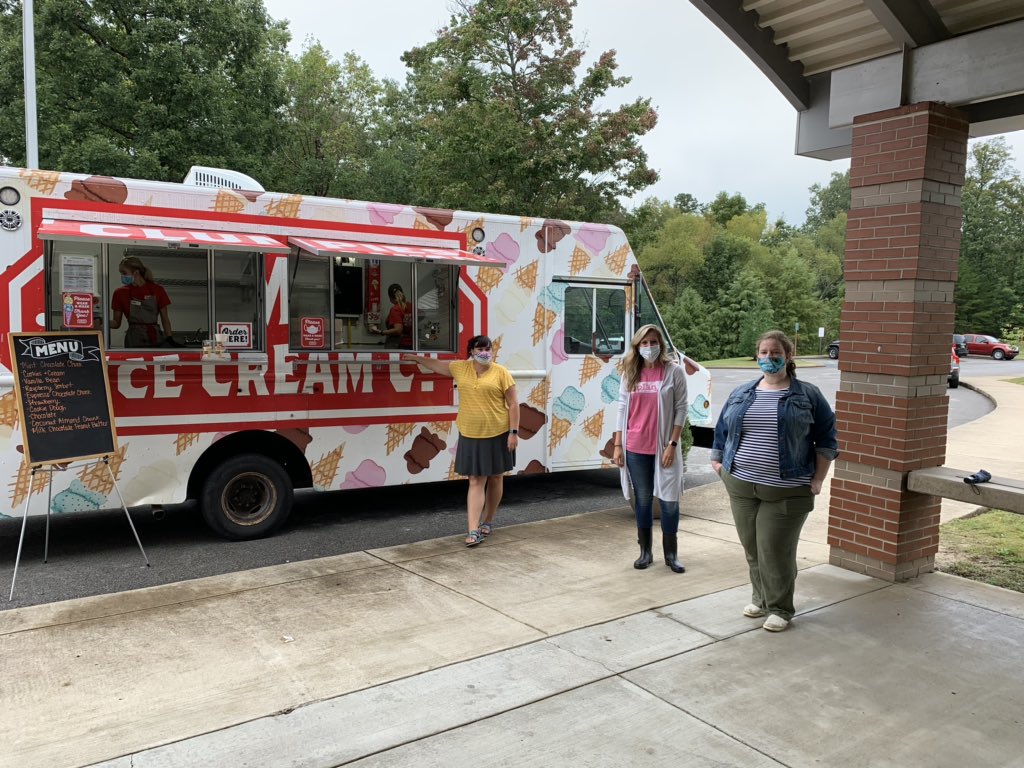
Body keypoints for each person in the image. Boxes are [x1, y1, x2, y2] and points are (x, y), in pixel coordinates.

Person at [710, 330, 838, 632]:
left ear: (789, 356)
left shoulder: (807, 395)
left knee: (774, 551)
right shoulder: (742, 391)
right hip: (740, 485)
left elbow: (827, 439)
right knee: (753, 547)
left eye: (775, 352)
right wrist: (718, 462)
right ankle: (762, 597)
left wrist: (819, 478)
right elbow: (723, 429)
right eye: (764, 353)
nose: (769, 358)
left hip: (786, 490)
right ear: (757, 356)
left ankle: (781, 607)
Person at [402, 336, 519, 546]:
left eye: (488, 348)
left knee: (495, 478)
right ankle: (473, 529)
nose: (484, 352)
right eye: (480, 348)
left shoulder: (501, 372)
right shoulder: (460, 368)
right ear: (471, 351)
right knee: (475, 479)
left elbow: (513, 404)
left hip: (498, 432)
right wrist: (416, 358)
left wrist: (513, 432)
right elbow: (437, 365)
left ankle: (488, 521)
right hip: (470, 432)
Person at [611, 324, 688, 573]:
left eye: (653, 342)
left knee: (669, 500)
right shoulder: (630, 373)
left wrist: (672, 444)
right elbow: (622, 408)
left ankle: (671, 554)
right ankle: (645, 552)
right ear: (637, 346)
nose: (649, 347)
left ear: (661, 345)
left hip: (665, 447)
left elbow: (681, 409)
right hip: (635, 446)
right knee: (643, 499)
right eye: (644, 343)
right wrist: (618, 445)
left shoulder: (673, 372)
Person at [109, 256, 173, 347]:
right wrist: (99, 322)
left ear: (136, 272)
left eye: (124, 273)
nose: (122, 276)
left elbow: (165, 319)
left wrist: (169, 338)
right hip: (133, 340)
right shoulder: (120, 293)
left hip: (155, 338)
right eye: (121, 273)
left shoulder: (157, 290)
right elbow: (116, 323)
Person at [373, 283, 414, 348]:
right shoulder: (411, 306)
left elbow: (398, 330)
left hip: (398, 345)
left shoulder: (395, 309)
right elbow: (423, 314)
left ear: (390, 297)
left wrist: (381, 332)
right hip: (412, 344)